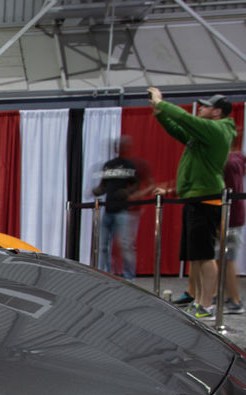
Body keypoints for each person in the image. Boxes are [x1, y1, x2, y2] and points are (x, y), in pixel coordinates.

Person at [148, 89, 236, 318]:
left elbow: (185, 120)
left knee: (205, 254)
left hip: (207, 198)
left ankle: (206, 304)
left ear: (217, 111)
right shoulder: (205, 135)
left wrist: (162, 104)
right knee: (196, 255)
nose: (201, 109)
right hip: (196, 198)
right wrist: (159, 114)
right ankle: (199, 300)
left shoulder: (217, 130)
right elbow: (177, 130)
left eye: (206, 106)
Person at [93, 135, 152, 281]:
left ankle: (129, 277)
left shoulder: (132, 165)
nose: (119, 148)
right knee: (103, 246)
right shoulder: (109, 165)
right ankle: (104, 275)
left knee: (126, 245)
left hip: (124, 210)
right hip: (108, 208)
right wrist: (97, 190)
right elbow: (103, 185)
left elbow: (137, 184)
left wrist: (130, 193)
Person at [219, 144, 246, 314]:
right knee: (222, 258)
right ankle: (227, 296)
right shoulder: (238, 158)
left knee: (226, 258)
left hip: (229, 216)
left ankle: (235, 300)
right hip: (234, 215)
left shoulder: (227, 162)